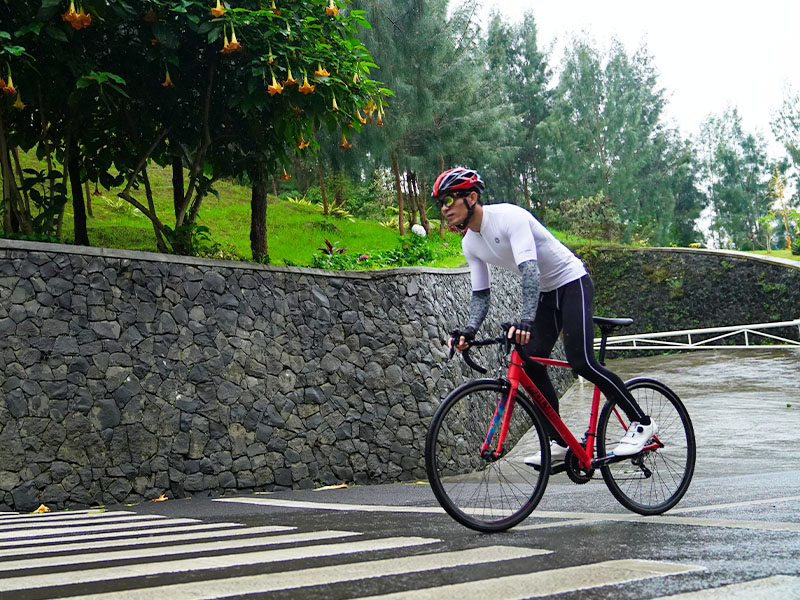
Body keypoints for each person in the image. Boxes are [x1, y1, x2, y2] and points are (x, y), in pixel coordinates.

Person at [433, 166, 656, 464]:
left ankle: (641, 422)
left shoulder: (509, 218)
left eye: (449, 200)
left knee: (582, 362)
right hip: (547, 295)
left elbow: (530, 271)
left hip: (571, 281)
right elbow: (481, 295)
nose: (444, 209)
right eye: (440, 203)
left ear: (472, 197)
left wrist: (526, 318)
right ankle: (561, 442)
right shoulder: (470, 243)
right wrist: (469, 330)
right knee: (530, 360)